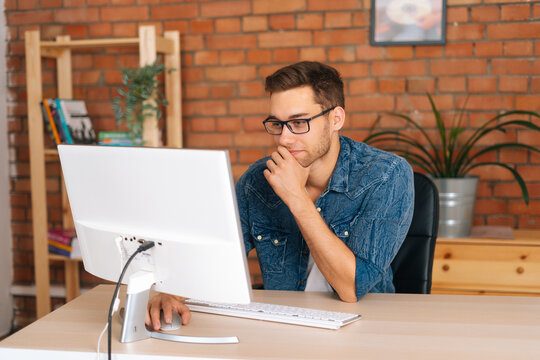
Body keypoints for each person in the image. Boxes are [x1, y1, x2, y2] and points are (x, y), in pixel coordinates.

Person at [146, 61, 414, 330]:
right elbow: (218, 259)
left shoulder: (386, 175)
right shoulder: (257, 179)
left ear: (336, 119)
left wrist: (296, 197)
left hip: (366, 330)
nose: (284, 139)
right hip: (284, 326)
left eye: (299, 123)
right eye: (277, 124)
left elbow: (351, 289)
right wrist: (173, 291)